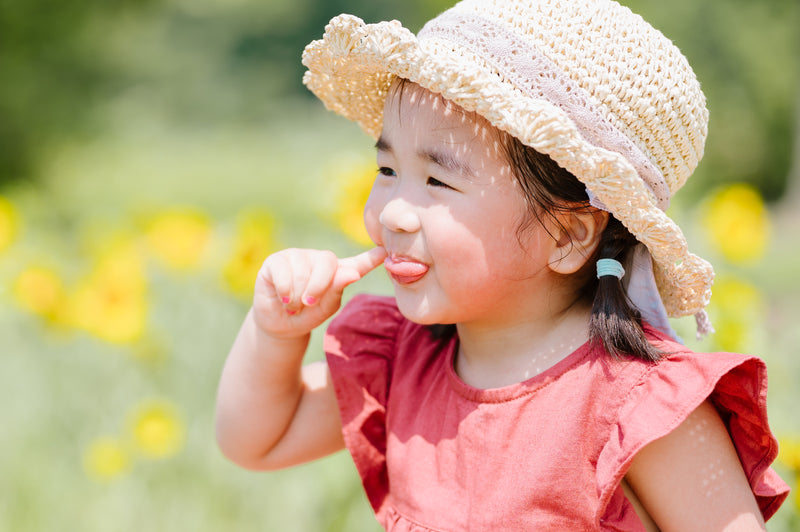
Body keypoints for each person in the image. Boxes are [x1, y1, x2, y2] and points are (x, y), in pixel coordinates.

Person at [215, 0, 790, 529]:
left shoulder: (638, 406)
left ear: (565, 235)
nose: (393, 213)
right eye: (388, 170)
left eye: (437, 179)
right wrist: (274, 332)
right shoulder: (406, 362)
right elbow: (258, 440)